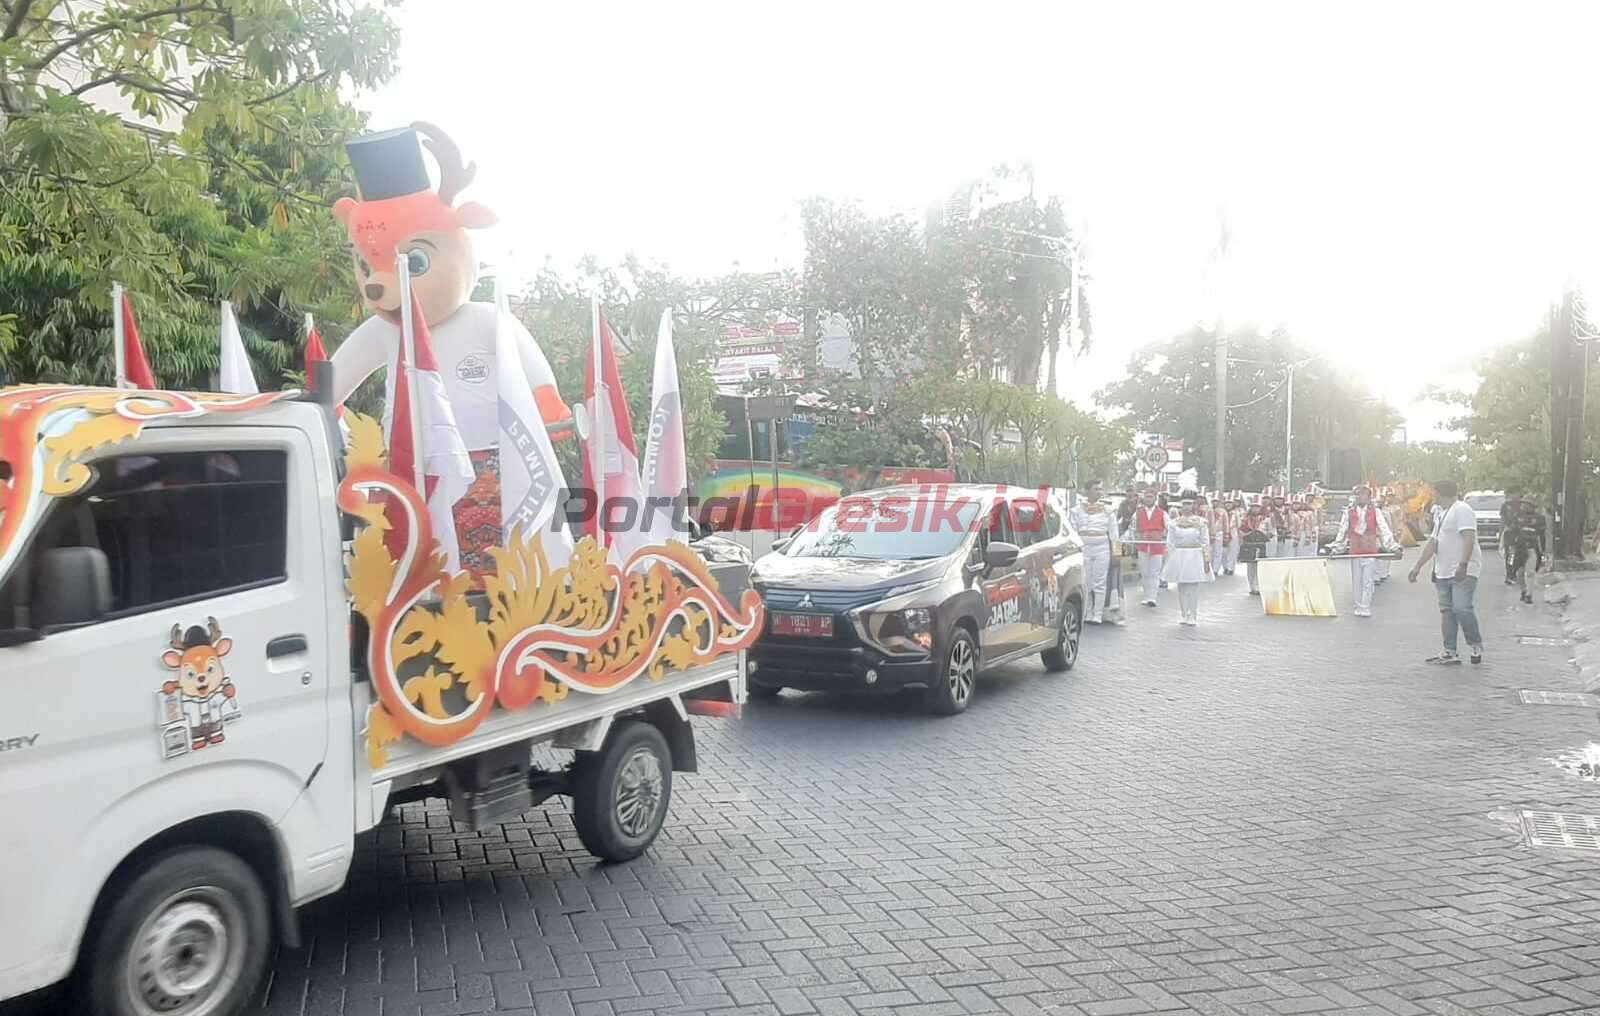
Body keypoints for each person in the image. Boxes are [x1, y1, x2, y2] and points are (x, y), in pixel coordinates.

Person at [1409, 479, 1484, 664]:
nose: (1432, 496)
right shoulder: (1441, 513)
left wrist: (1463, 564)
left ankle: (1475, 644)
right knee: (1447, 611)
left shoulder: (1462, 510)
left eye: (1434, 493)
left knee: (1462, 607)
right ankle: (1450, 650)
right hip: (1442, 570)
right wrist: (1417, 566)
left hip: (1462, 570)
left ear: (1441, 493)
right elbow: (1433, 543)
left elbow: (1469, 538)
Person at [1329, 485, 1400, 617]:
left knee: (1368, 580)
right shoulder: (1348, 512)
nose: (1360, 497)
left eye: (1363, 494)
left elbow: (1384, 530)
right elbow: (1342, 531)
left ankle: (1365, 606)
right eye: (1358, 494)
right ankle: (1358, 605)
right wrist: (1336, 548)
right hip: (1355, 550)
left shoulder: (1376, 511)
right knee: (1357, 581)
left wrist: (1393, 546)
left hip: (1370, 550)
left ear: (1368, 498)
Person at [1164, 493, 1213, 625]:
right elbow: (1170, 542)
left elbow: (1205, 542)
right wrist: (1170, 558)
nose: (1186, 507)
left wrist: (1206, 559)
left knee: (1193, 586)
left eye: (1189, 504)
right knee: (1182, 585)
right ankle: (1184, 613)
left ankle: (1193, 614)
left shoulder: (1201, 522)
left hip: (1195, 554)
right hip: (1180, 554)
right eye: (1184, 504)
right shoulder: (1174, 523)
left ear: (1194, 506)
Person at [1070, 482, 1116, 624]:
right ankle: (1087, 612)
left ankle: (1098, 613)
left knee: (1099, 582)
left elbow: (1115, 535)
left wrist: (1117, 554)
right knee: (1086, 581)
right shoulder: (1076, 510)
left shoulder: (1108, 511)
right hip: (1084, 548)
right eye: (1095, 489)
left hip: (1101, 547)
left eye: (1100, 489)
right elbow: (1072, 532)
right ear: (1087, 491)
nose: (1099, 492)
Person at [1131, 487, 1169, 607]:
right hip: (1142, 546)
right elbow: (1132, 529)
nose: (1148, 499)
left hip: (1157, 547)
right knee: (1144, 572)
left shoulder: (1163, 513)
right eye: (1146, 497)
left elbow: (1169, 529)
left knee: (1155, 572)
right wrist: (1136, 539)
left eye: (1151, 497)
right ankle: (1147, 595)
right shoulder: (1138, 513)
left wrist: (1162, 536)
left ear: (1155, 498)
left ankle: (1152, 597)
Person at [1508, 498, 1547, 605]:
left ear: (1532, 506)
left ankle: (1529, 595)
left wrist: (1543, 551)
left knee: (1530, 572)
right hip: (1519, 549)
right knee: (1519, 572)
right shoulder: (1517, 516)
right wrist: (1511, 546)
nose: (1523, 506)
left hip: (1532, 548)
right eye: (1523, 504)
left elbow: (1542, 536)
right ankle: (1523, 590)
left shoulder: (1539, 518)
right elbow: (1512, 532)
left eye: (1526, 504)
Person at [1238, 501, 1273, 596]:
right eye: (1253, 507)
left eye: (1257, 507)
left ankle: (1258, 586)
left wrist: (1265, 535)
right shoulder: (1245, 519)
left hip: (1261, 544)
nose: (1255, 509)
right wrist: (1248, 535)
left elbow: (1271, 532)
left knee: (1259, 565)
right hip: (1249, 544)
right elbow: (1240, 531)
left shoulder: (1266, 519)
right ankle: (1251, 586)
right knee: (1250, 566)